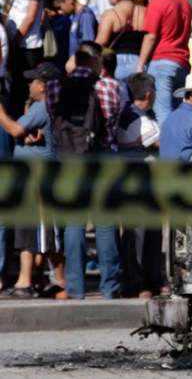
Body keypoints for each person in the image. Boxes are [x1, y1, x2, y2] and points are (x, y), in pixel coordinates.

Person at [46, 42, 122, 300]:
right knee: (104, 225)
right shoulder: (110, 86)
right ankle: (110, 288)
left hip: (69, 162)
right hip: (102, 158)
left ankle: (75, 288)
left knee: (73, 225)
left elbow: (53, 117)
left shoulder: (56, 86)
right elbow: (112, 120)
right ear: (95, 61)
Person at [0, 62, 63, 299]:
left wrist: (1, 113)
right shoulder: (44, 107)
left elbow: (15, 130)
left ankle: (38, 282)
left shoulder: (42, 107)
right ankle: (33, 280)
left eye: (33, 81)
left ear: (43, 86)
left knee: (36, 233)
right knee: (35, 232)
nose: (29, 84)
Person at [116, 72, 164, 299]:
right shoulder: (136, 118)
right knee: (138, 235)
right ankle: (137, 282)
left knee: (149, 234)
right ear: (149, 93)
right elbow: (159, 142)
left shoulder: (134, 114)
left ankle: (152, 279)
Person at [137, 0, 192, 126]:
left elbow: (150, 37)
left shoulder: (158, 2)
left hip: (161, 62)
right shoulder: (184, 2)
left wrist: (140, 65)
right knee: (176, 112)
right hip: (181, 63)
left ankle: (168, 149)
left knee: (162, 112)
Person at [4, 0, 47, 113]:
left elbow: (31, 15)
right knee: (14, 89)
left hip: (28, 46)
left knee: (26, 92)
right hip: (13, 41)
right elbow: (8, 5)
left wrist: (16, 39)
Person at [97, 0, 144, 87]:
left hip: (117, 62)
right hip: (140, 62)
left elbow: (101, 42)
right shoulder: (145, 12)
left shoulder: (110, 14)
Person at [50, 0, 97, 70]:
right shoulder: (74, 17)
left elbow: (87, 45)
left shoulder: (85, 15)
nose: (60, 12)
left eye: (60, 7)